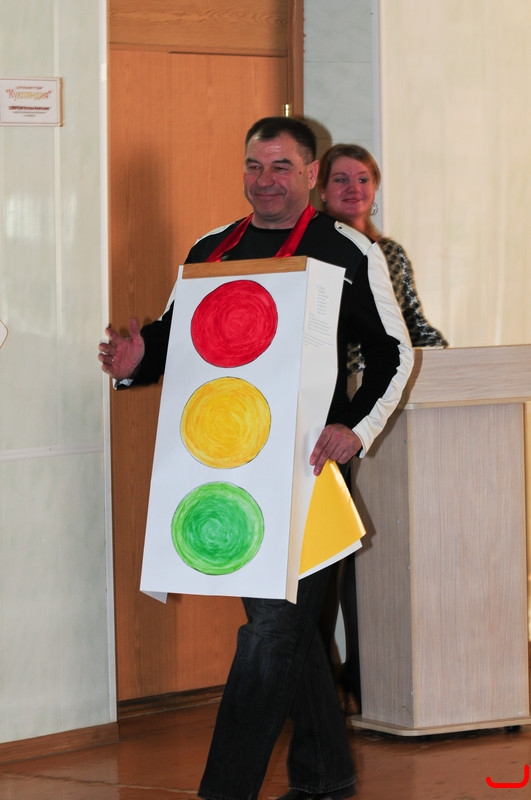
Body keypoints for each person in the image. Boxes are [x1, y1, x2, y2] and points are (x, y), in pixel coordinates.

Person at [99, 117, 413, 800]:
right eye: (253, 166)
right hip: (229, 468)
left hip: (310, 469)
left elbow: (394, 353)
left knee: (271, 630)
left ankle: (224, 791)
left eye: (280, 167)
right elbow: (174, 338)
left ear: (310, 174)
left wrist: (355, 428)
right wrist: (134, 362)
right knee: (286, 628)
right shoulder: (212, 249)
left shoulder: (348, 249)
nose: (264, 181)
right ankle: (325, 774)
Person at [316, 143, 448, 716]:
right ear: (321, 190)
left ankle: (367, 681)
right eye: (340, 180)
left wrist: (444, 363)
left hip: (384, 408)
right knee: (328, 556)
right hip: (334, 409)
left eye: (363, 179)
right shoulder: (318, 248)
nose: (353, 190)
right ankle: (323, 686)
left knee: (369, 562)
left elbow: (412, 324)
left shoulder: (388, 252)